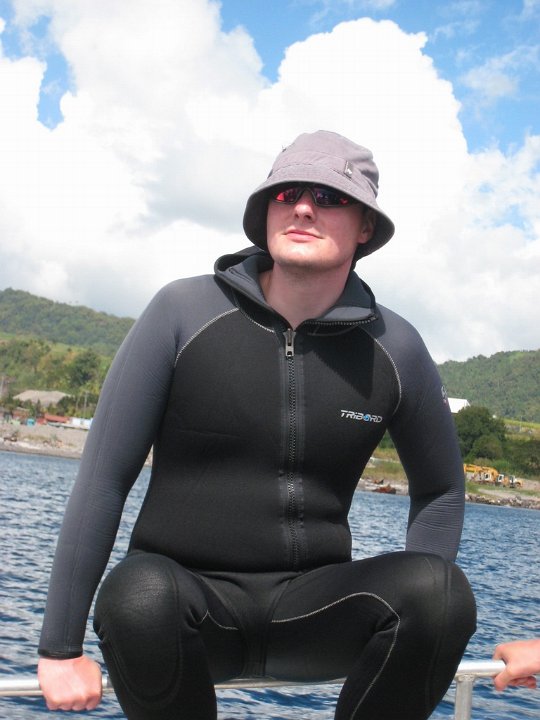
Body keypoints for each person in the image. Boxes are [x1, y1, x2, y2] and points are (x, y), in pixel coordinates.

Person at [37, 130, 476, 719]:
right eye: (287, 193)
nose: (303, 208)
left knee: (441, 592)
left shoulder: (395, 347)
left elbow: (441, 489)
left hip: (314, 614)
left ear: (366, 226)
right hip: (184, 611)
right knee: (138, 594)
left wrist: (425, 618)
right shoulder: (183, 313)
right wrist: (60, 647)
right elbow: (103, 478)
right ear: (265, 211)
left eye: (330, 197)